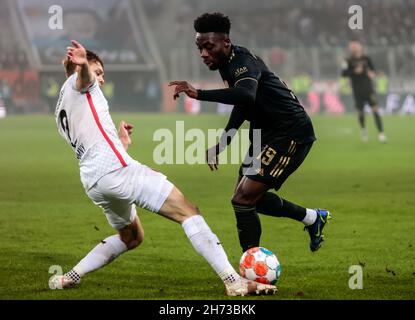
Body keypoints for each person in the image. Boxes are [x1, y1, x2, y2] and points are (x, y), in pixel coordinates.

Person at [49, 40, 277, 297]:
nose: (100, 79)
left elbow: (92, 142)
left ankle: (70, 276)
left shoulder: (61, 107)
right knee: (189, 212)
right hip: (117, 172)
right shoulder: (81, 83)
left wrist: (121, 144)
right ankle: (233, 281)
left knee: (131, 237)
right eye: (98, 72)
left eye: (102, 74)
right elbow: (85, 78)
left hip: (94, 182)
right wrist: (83, 66)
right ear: (79, 69)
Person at [169, 13, 331, 254]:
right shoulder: (225, 64)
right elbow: (244, 105)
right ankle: (312, 218)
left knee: (243, 200)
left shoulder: (242, 61)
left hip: (290, 133)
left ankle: (251, 265)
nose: (203, 53)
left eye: (208, 46)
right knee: (248, 198)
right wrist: (222, 143)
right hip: (264, 133)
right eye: (199, 47)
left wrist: (199, 93)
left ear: (226, 42)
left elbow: (246, 95)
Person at [341, 40, 386, 143]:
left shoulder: (366, 59)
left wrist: (372, 73)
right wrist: (354, 72)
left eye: (356, 45)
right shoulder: (347, 60)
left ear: (360, 46)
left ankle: (381, 133)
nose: (354, 47)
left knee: (375, 109)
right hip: (357, 90)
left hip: (368, 89)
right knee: (360, 113)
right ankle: (363, 129)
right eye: (352, 46)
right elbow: (343, 74)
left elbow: (373, 70)